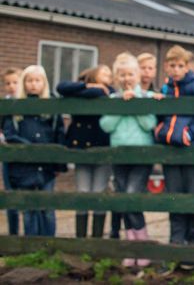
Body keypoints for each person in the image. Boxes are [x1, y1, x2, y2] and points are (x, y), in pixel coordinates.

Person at [153, 45, 194, 265]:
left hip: (193, 152)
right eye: (172, 65)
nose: (176, 69)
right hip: (171, 152)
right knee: (175, 198)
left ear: (187, 66)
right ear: (166, 67)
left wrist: (190, 135)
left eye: (181, 65)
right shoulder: (166, 89)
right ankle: (176, 245)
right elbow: (162, 117)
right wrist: (159, 128)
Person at [99, 53, 162, 267]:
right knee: (123, 200)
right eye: (123, 74)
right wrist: (121, 106)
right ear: (117, 77)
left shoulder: (145, 96)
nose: (127, 78)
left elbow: (149, 124)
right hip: (119, 154)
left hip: (141, 155)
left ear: (138, 75)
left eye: (131, 74)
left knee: (132, 196)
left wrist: (134, 104)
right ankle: (130, 248)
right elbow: (106, 125)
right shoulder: (112, 99)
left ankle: (141, 247)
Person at [2, 65, 65, 236]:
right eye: (29, 80)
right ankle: (32, 247)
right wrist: (29, 148)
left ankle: (48, 244)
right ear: (24, 83)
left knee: (47, 207)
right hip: (24, 166)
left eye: (37, 80)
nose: (33, 84)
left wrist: (60, 163)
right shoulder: (16, 107)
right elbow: (9, 133)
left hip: (46, 167)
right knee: (29, 209)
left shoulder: (52, 107)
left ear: (44, 83)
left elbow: (59, 134)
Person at [57, 65, 114, 239]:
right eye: (104, 72)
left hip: (102, 147)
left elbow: (100, 94)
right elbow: (61, 87)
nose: (108, 76)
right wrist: (87, 86)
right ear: (93, 73)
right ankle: (80, 239)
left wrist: (93, 90)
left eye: (110, 74)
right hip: (81, 148)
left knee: (98, 192)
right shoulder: (78, 87)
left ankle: (96, 240)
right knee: (83, 192)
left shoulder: (109, 91)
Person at [2, 67, 22, 236]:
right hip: (9, 155)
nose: (11, 86)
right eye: (8, 83)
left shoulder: (27, 103)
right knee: (10, 196)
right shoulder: (4, 105)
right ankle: (13, 234)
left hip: (24, 154)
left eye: (15, 82)